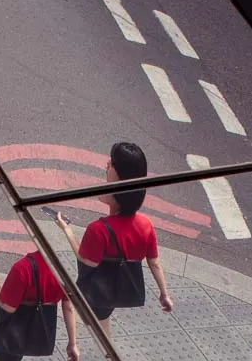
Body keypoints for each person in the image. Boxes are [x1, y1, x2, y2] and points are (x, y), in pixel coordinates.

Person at [55, 140, 173, 337]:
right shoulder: (145, 225)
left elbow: (84, 263)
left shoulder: (98, 230)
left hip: (97, 294)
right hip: (118, 291)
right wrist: (164, 294)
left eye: (112, 164)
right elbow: (154, 263)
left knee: (98, 326)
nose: (106, 165)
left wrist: (67, 230)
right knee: (103, 321)